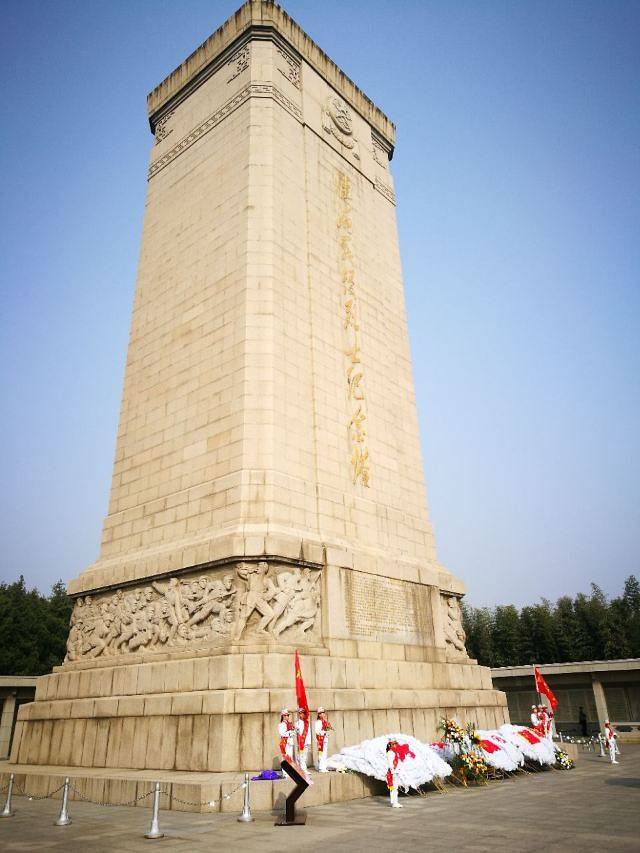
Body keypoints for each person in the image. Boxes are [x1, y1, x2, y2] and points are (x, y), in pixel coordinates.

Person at [386, 738, 415, 809]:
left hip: (396, 771)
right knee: (393, 788)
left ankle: (394, 802)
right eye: (393, 744)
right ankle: (394, 803)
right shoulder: (390, 752)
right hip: (393, 773)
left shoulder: (395, 752)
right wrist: (393, 772)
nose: (395, 745)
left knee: (395, 788)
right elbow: (390, 763)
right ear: (390, 745)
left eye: (396, 743)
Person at [315, 707, 332, 773]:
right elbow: (317, 731)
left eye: (323, 713)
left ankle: (324, 767)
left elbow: (326, 731)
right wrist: (324, 731)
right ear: (318, 715)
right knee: (321, 754)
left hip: (325, 739)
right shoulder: (318, 722)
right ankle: (321, 768)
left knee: (325, 753)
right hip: (320, 740)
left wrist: (327, 732)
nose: (322, 714)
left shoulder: (325, 722)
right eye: (320, 713)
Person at [296, 707, 312, 776]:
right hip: (301, 742)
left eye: (303, 713)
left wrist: (309, 742)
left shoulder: (307, 723)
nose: (301, 715)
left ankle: (301, 769)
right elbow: (297, 732)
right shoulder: (297, 723)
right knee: (301, 756)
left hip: (306, 741)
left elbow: (309, 733)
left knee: (304, 756)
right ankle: (303, 770)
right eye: (300, 713)